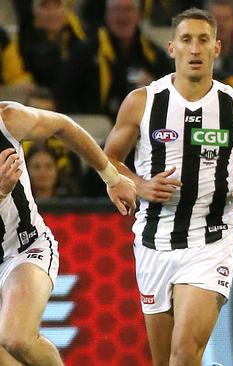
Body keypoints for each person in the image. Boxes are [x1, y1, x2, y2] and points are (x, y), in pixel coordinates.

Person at [103, 8, 233, 365]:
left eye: (204, 40)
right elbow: (108, 159)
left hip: (211, 241)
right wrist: (140, 185)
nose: (195, 48)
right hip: (154, 242)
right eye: (186, 40)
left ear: (217, 48)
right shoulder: (142, 102)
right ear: (172, 48)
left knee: (184, 352)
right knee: (166, 361)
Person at [0, 101, 135, 365]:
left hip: (25, 248)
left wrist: (112, 178)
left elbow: (63, 125)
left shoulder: (8, 119)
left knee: (17, 338)